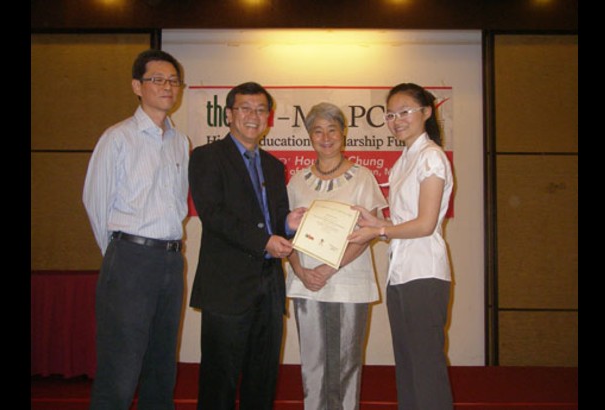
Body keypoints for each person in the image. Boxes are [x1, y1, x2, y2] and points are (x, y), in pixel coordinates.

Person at [82, 49, 189, 410]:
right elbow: (95, 202)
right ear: (137, 86)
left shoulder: (180, 141)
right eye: (157, 79)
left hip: (172, 262)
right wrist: (121, 255)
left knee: (162, 365)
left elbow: (177, 205)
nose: (167, 87)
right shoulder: (118, 138)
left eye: (173, 81)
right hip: (130, 260)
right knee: (121, 367)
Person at [188, 81, 306, 410]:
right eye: (245, 109)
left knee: (262, 378)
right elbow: (214, 215)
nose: (253, 116)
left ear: (269, 117)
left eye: (260, 110)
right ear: (228, 115)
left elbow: (276, 218)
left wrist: (288, 224)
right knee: (219, 381)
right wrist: (264, 240)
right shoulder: (206, 157)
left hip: (268, 286)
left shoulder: (273, 165)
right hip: (226, 287)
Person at [348, 83, 455, 410]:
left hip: (424, 274)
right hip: (401, 273)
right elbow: (403, 221)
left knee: (426, 368)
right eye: (390, 114)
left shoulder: (431, 157)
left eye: (404, 111)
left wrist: (379, 229)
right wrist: (375, 221)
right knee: (407, 367)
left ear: (426, 112)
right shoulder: (403, 161)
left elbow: (424, 224)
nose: (396, 120)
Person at [285, 102, 387, 410]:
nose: (325, 137)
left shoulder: (362, 177)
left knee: (345, 363)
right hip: (306, 282)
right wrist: (301, 271)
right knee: (313, 363)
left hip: (347, 280)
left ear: (343, 133)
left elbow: (369, 232)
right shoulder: (297, 181)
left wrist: (330, 267)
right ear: (309, 136)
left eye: (332, 129)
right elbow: (287, 232)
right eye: (318, 130)